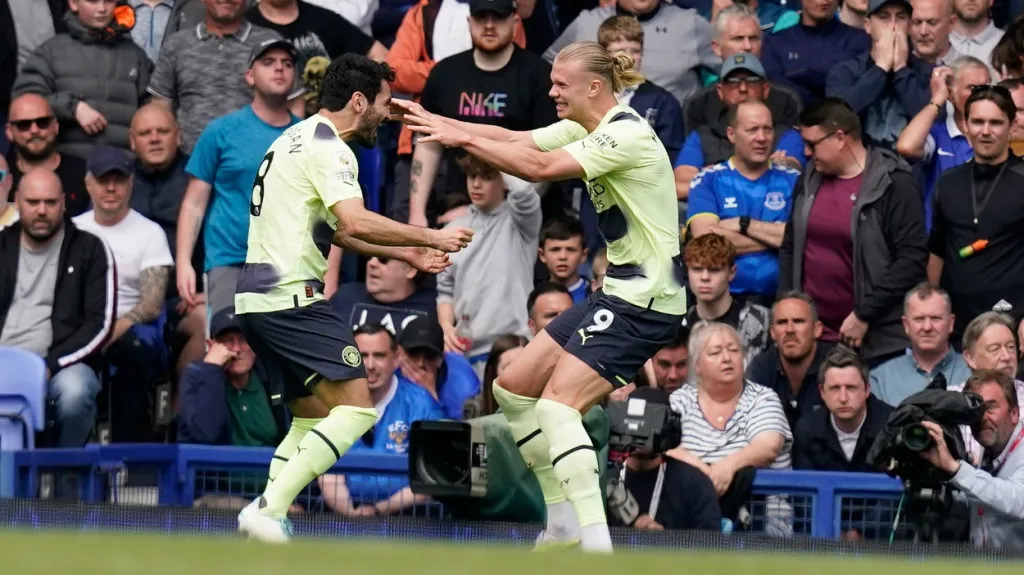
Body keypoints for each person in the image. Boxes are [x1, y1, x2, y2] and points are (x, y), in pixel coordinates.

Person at [395, 40, 685, 553]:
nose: (550, 91)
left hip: (647, 301)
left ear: (594, 87)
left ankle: (596, 539)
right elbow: (516, 138)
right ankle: (561, 521)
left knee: (557, 408)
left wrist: (457, 134)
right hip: (615, 295)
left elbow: (537, 169)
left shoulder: (628, 134)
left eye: (559, 84)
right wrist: (441, 120)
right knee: (512, 388)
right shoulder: (584, 126)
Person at [233, 53, 473, 543]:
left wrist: (408, 249)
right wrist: (428, 237)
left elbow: (338, 231)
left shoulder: (295, 138)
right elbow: (357, 220)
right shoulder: (331, 149)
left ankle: (264, 513)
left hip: (257, 299)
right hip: (291, 298)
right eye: (384, 104)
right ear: (359, 101)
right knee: (358, 409)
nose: (388, 115)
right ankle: (269, 508)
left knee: (309, 418)